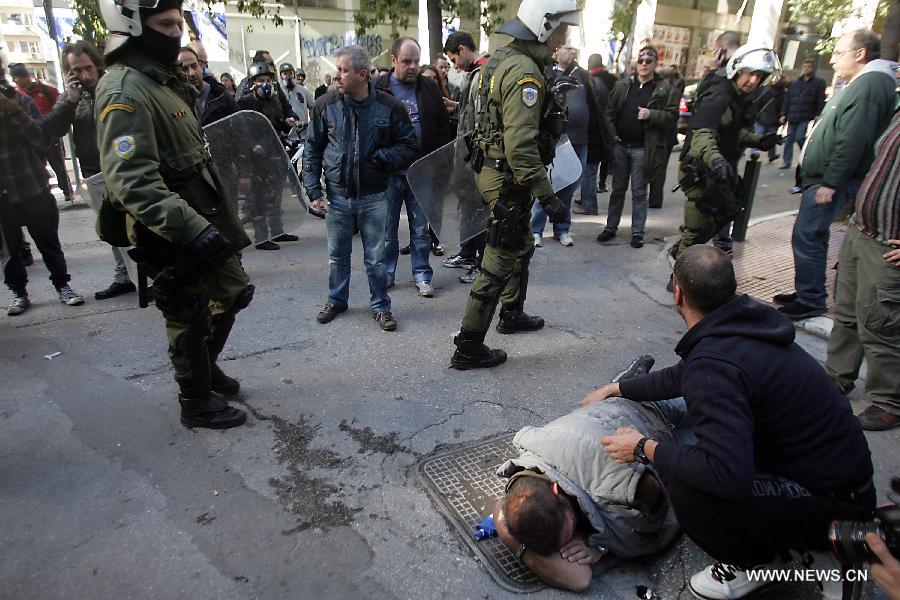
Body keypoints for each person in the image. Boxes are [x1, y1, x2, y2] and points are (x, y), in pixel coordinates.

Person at [588, 245, 876, 600]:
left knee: (688, 482)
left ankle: (765, 563)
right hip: (843, 479)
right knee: (696, 452)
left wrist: (642, 448)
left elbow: (726, 474)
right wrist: (619, 387)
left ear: (677, 293)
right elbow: (688, 374)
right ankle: (810, 540)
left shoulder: (716, 365)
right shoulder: (744, 325)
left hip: (830, 501)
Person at [96, 0, 255, 429]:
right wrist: (189, 228)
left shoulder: (159, 82)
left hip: (202, 218)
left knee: (234, 292)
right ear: (131, 26)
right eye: (165, 24)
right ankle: (196, 402)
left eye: (178, 24)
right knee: (187, 313)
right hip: (169, 229)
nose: (175, 33)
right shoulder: (124, 90)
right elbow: (132, 180)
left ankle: (206, 366)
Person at [449, 0, 579, 369]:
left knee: (520, 244)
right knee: (500, 256)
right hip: (509, 176)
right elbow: (521, 149)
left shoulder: (500, 58)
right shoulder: (525, 73)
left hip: (495, 169)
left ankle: (511, 313)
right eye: (560, 29)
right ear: (543, 25)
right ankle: (468, 345)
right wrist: (549, 198)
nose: (564, 36)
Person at [493, 395, 683, 591]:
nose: (575, 535)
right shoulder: (530, 475)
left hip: (658, 421)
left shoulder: (622, 484)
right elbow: (579, 579)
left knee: (707, 393)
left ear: (557, 489)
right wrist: (514, 539)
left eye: (573, 524)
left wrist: (600, 546)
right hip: (611, 407)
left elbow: (670, 513)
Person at [775, 30, 897, 321]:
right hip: (826, 177)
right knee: (811, 235)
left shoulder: (871, 84)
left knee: (808, 234)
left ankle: (811, 298)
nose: (832, 60)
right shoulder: (864, 83)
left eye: (839, 52)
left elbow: (854, 138)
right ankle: (808, 290)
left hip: (831, 180)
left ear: (860, 54)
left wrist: (831, 182)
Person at [302, 44, 417, 331]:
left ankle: (380, 305)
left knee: (376, 260)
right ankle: (337, 300)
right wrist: (313, 191)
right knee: (337, 256)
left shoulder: (390, 107)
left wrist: (381, 159)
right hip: (337, 198)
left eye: (342, 70)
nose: (336, 75)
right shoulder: (325, 105)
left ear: (362, 74)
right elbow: (312, 149)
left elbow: (409, 145)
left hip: (375, 197)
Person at [667, 45, 780, 291]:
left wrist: (758, 141)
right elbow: (702, 136)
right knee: (695, 230)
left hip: (719, 170)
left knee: (727, 210)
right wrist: (716, 160)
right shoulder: (718, 96)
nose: (753, 81)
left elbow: (730, 132)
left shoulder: (737, 98)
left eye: (759, 76)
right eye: (749, 73)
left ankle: (683, 251)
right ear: (736, 69)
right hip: (700, 172)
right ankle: (678, 280)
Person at [43, 40, 138, 301]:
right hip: (94, 172)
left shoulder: (115, 87)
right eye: (77, 71)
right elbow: (51, 131)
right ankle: (124, 277)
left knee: (136, 227)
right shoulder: (73, 98)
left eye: (88, 68)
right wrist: (70, 101)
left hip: (124, 167)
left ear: (97, 64)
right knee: (111, 228)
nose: (85, 76)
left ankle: (146, 276)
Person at [824, 111, 900, 431]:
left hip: (887, 246)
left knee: (879, 323)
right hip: (861, 232)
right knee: (847, 314)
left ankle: (888, 401)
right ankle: (837, 377)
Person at [1, 55, 85, 316]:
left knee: (48, 242)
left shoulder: (21, 101)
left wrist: (14, 111)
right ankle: (18, 292)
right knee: (9, 251)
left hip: (32, 187)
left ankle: (63, 286)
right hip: (2, 195)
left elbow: (42, 140)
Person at [374, 38, 453, 298]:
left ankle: (422, 275)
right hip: (390, 173)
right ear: (394, 60)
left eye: (417, 61)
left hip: (422, 172)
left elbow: (443, 128)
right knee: (388, 229)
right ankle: (387, 274)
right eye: (407, 61)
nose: (413, 66)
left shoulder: (429, 88)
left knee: (421, 230)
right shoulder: (379, 88)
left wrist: (434, 161)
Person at [595, 47, 676, 249]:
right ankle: (610, 227)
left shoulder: (663, 88)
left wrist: (652, 115)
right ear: (636, 63)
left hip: (643, 148)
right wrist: (612, 133)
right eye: (641, 61)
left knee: (639, 192)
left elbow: (672, 115)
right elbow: (609, 111)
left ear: (656, 64)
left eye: (649, 61)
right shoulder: (624, 85)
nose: (644, 64)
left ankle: (637, 233)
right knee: (617, 190)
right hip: (621, 146)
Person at [532, 44, 611, 242]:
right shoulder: (545, 72)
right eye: (568, 48)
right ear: (556, 50)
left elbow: (596, 106)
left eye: (574, 49)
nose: (572, 52)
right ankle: (536, 230)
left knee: (570, 185)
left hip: (580, 140)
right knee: (548, 184)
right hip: (553, 141)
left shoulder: (583, 75)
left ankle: (562, 229)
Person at [441, 30, 490, 284]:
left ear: (462, 49)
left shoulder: (484, 73)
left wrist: (475, 158)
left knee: (480, 213)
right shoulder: (473, 74)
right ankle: (468, 254)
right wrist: (456, 108)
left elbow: (484, 122)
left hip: (476, 160)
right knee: (468, 208)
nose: (454, 66)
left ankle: (482, 264)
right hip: (467, 157)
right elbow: (472, 113)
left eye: (453, 59)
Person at [237, 62, 299, 250]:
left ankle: (277, 231)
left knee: (274, 194)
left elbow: (279, 123)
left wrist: (288, 122)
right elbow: (239, 130)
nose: (266, 84)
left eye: (269, 80)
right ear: (252, 82)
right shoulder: (245, 102)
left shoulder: (274, 100)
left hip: (274, 152)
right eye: (261, 80)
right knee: (257, 197)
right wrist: (252, 145)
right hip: (255, 157)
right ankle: (262, 237)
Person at [10, 64, 74, 203]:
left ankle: (68, 193)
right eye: (13, 78)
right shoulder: (17, 95)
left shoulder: (46, 90)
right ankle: (44, 194)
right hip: (33, 139)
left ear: (25, 76)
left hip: (50, 136)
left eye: (17, 77)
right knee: (38, 167)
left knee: (58, 166)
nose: (15, 80)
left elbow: (59, 109)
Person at [778, 57, 826, 170]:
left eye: (809, 67)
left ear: (813, 68)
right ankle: (786, 161)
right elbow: (787, 98)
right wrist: (783, 113)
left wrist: (818, 114)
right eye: (805, 66)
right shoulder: (794, 83)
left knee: (800, 137)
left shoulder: (818, 83)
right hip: (793, 114)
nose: (807, 69)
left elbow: (820, 99)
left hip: (805, 115)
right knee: (789, 139)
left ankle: (806, 156)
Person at [177, 46, 238, 126]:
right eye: (184, 69)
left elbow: (241, 127)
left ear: (200, 66)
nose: (192, 73)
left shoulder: (221, 96)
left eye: (194, 66)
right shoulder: (177, 102)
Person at [586, 53, 617, 194]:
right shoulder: (612, 79)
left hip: (597, 122)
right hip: (608, 120)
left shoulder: (591, 80)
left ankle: (588, 194)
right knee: (605, 155)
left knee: (592, 161)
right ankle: (602, 183)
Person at [751, 76, 785, 163]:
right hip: (774, 120)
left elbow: (759, 102)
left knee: (757, 137)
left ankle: (754, 153)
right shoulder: (783, 94)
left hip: (762, 117)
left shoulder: (766, 90)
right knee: (771, 138)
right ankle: (771, 155)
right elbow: (783, 107)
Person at [278, 62, 315, 129]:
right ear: (280, 76)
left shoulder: (303, 90)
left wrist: (312, 122)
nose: (288, 76)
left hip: (303, 129)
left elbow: (312, 107)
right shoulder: (278, 92)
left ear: (294, 75)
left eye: (290, 73)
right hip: (287, 130)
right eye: (285, 74)